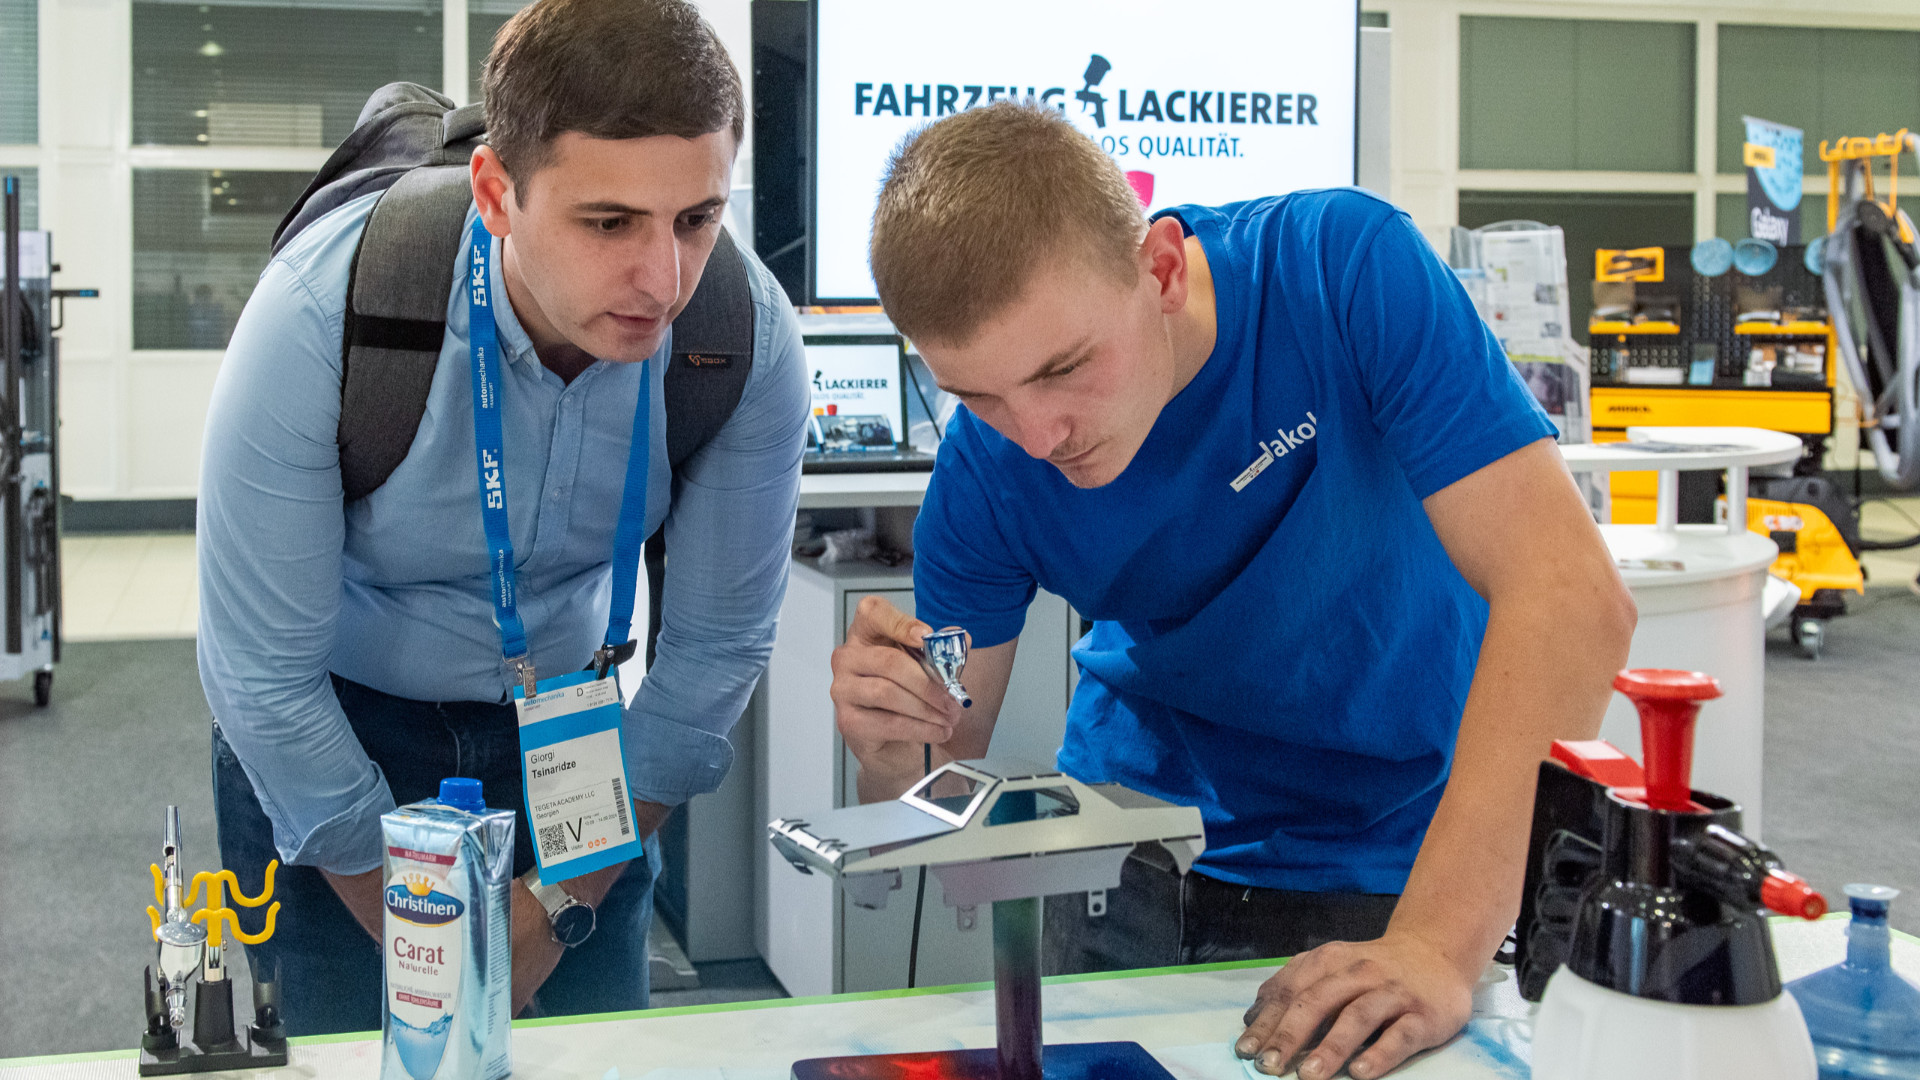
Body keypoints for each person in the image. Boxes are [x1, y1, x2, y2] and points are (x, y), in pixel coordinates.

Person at [829, 102, 1635, 1079]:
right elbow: (935, 769)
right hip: (1131, 865)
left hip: (1403, 865)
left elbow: (1570, 600)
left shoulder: (1337, 272)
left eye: (1064, 369)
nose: (1039, 435)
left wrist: (1436, 945)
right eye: (983, 396)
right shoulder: (987, 470)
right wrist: (886, 748)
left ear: (1161, 269)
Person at [197, 0, 806, 1034]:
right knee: (363, 1053)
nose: (662, 280)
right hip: (338, 743)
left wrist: (554, 906)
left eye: (696, 219)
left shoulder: (740, 338)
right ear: (497, 194)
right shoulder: (326, 312)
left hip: (577, 752)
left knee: (586, 1055)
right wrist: (433, 949)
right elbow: (262, 677)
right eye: (608, 222)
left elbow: (714, 653)